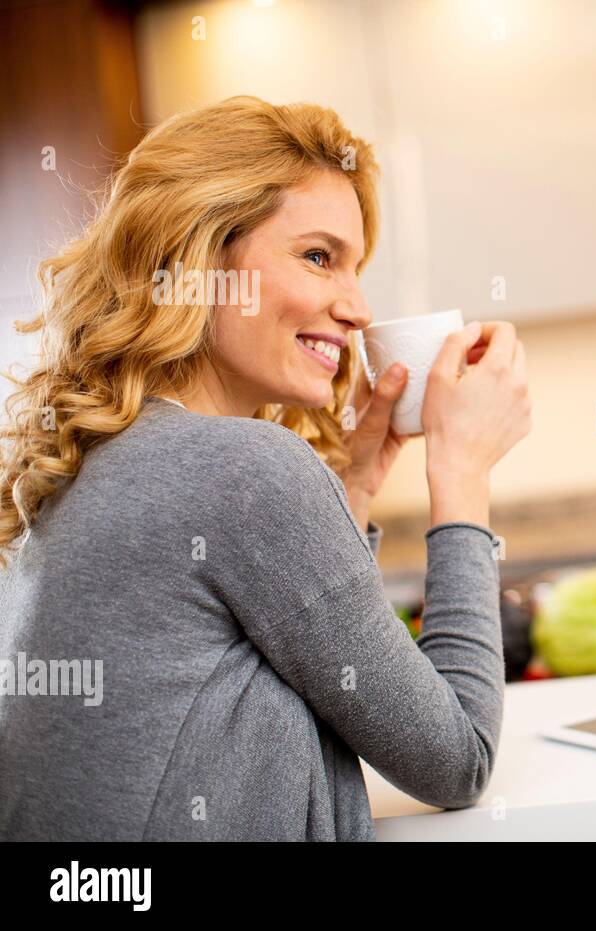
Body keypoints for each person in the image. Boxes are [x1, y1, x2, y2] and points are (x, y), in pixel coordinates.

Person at [0, 96, 531, 840]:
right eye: (319, 257)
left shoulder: (107, 456)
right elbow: (458, 758)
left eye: (356, 268)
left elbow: (245, 668)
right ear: (201, 258)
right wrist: (463, 475)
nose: (355, 307)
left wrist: (352, 491)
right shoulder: (243, 469)